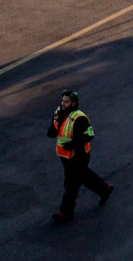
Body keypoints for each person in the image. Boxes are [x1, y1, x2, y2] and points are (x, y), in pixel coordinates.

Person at [47, 89, 113, 223]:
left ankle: (65, 213)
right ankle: (104, 189)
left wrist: (72, 145)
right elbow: (55, 125)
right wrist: (51, 131)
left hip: (78, 156)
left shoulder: (79, 118)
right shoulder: (59, 111)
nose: (63, 103)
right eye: (62, 101)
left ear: (73, 103)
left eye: (66, 102)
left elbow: (90, 134)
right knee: (83, 177)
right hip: (65, 156)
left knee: (70, 184)